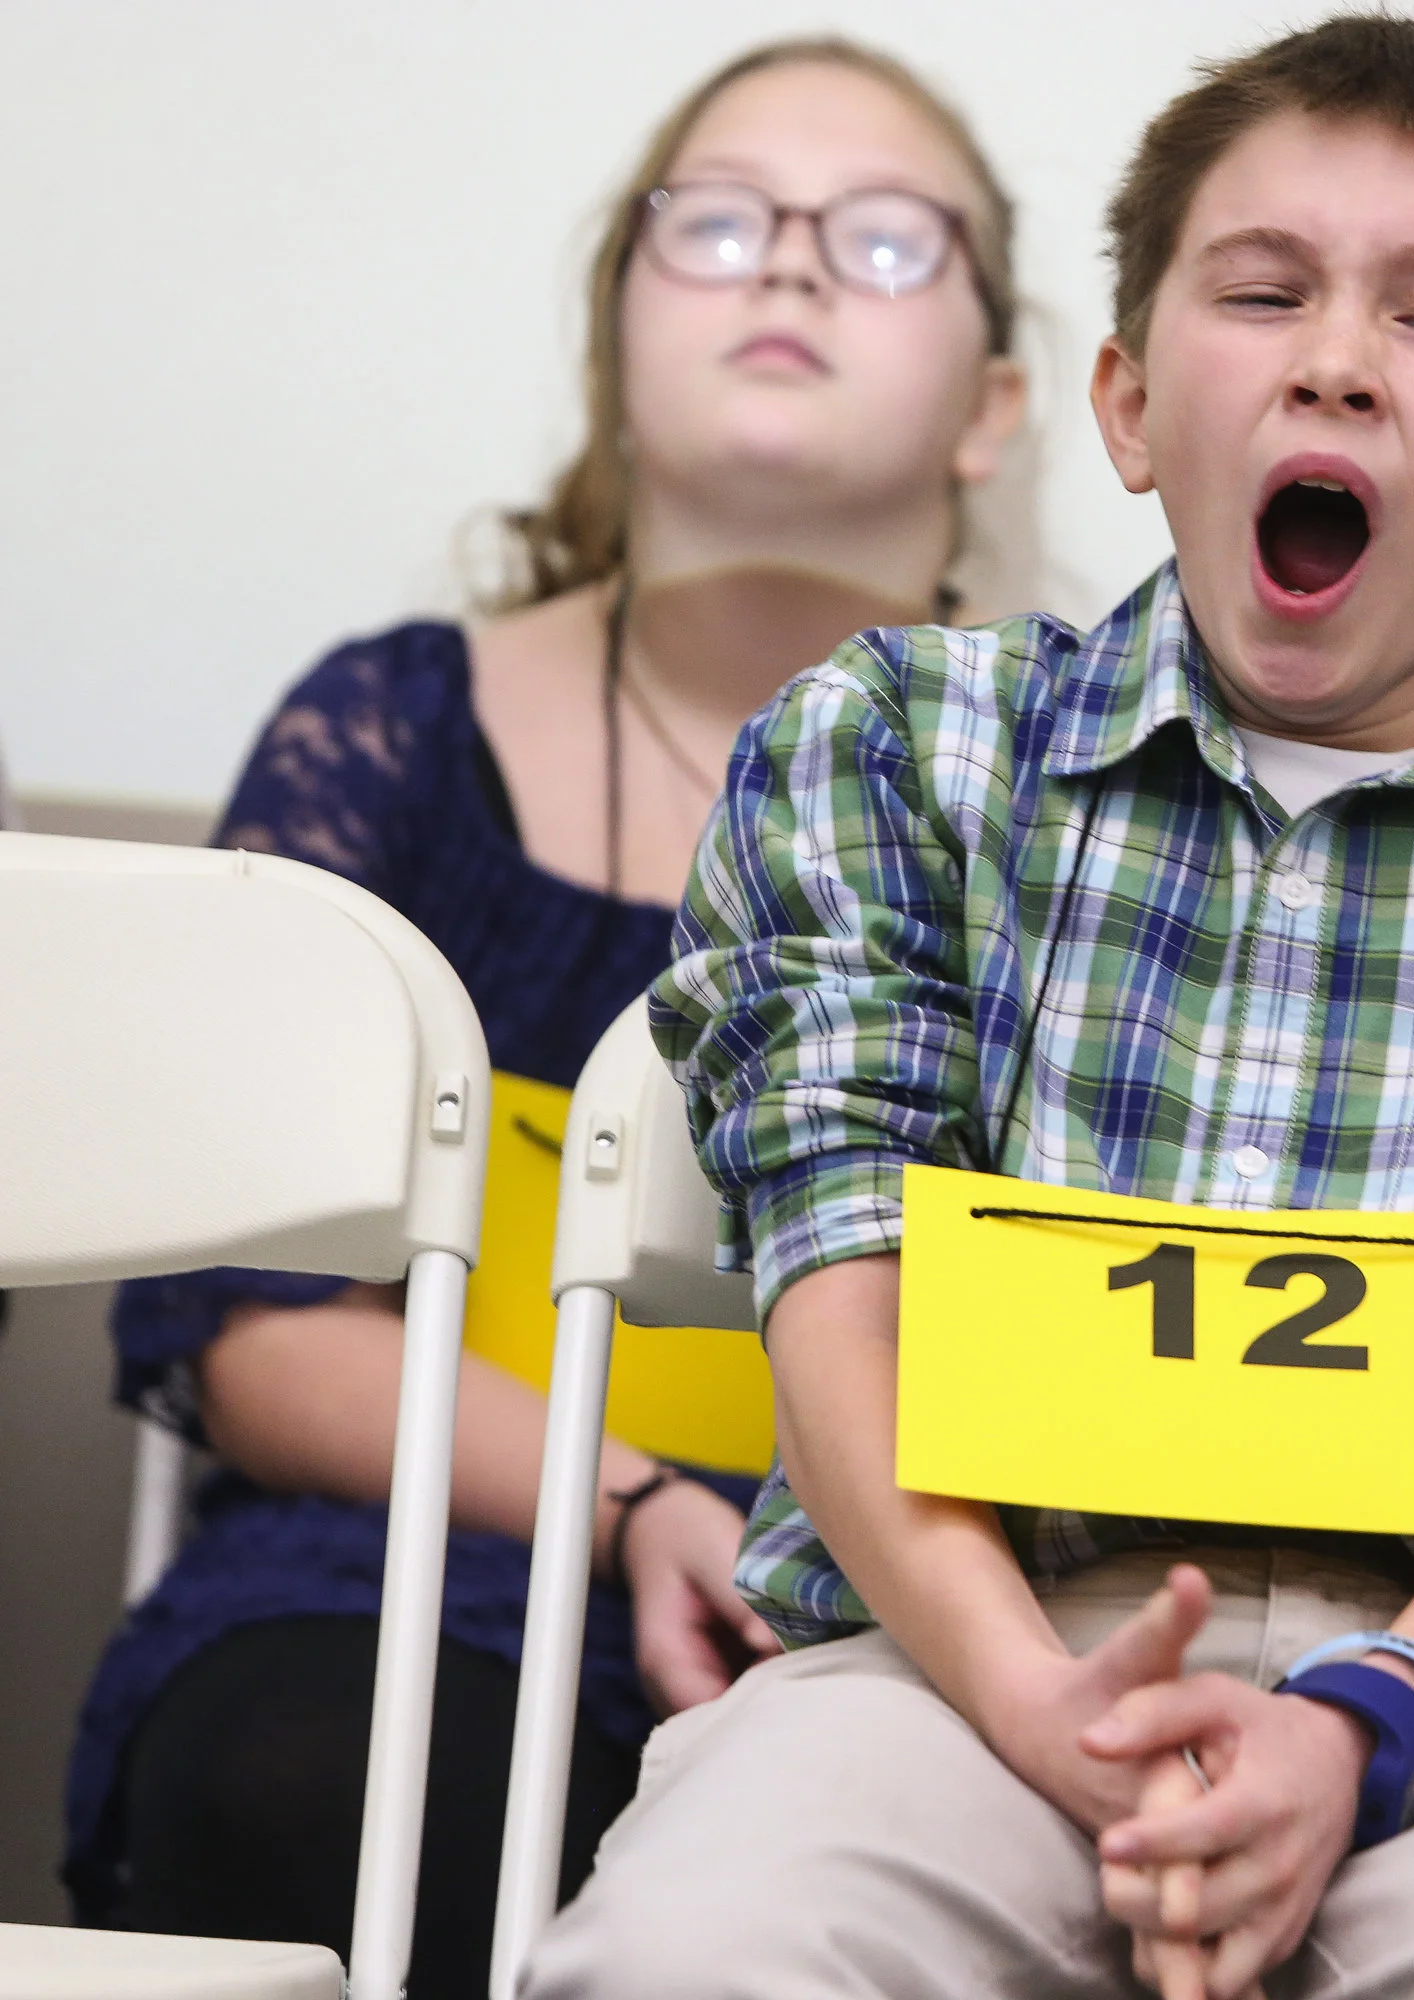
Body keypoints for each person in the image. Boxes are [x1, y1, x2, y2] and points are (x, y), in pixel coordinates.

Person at [524, 19, 1414, 2000]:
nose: (1332, 356)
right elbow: (841, 1264)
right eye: (1261, 293)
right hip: (957, 1632)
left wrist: (1368, 1714)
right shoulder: (895, 746)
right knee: (690, 1949)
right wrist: (1030, 1696)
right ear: (1135, 401)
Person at [67, 40, 1027, 1994]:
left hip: (926, 1629)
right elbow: (251, 1320)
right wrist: (639, 1508)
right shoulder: (395, 733)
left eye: (880, 238)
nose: (787, 273)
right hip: (417, 1585)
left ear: (996, 409)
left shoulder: (1104, 821)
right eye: (719, 223)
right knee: (332, 1788)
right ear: (615, 338)